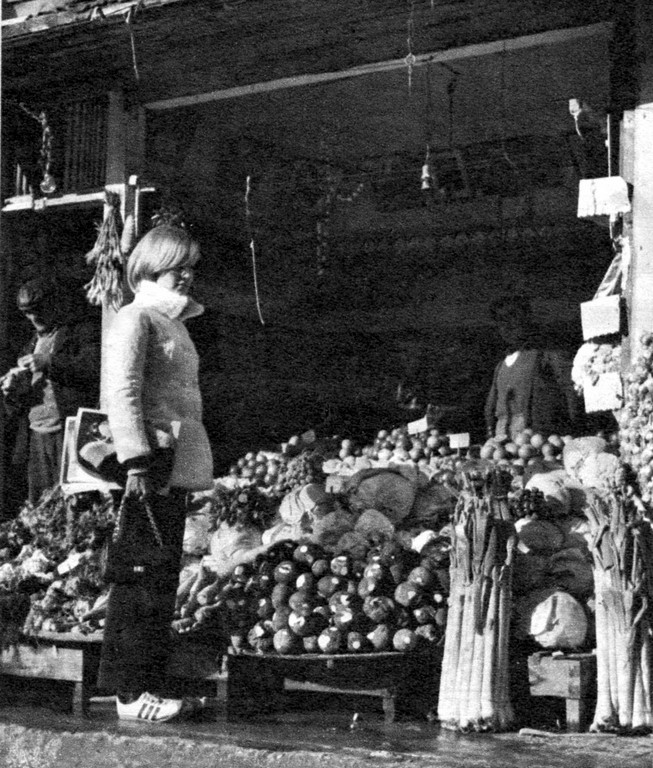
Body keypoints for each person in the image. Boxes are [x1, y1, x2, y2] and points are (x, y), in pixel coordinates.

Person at [97, 224, 214, 723]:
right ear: (149, 270)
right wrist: (136, 461)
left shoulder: (175, 323)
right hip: (149, 463)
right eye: (175, 267)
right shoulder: (135, 317)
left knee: (159, 577)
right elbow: (120, 390)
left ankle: (147, 681)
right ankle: (128, 694)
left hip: (172, 464)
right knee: (138, 578)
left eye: (190, 267)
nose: (185, 275)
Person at [1, 277, 100, 508]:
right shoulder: (31, 344)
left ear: (55, 304)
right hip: (37, 435)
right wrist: (13, 390)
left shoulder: (78, 334)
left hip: (68, 432)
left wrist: (49, 362)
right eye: (27, 313)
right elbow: (22, 401)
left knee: (77, 504)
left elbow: (93, 369)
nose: (34, 318)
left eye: (38, 310)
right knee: (43, 507)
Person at [484, 294, 580, 441]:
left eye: (512, 316)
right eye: (501, 320)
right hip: (504, 444)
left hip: (538, 443)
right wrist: (491, 436)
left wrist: (573, 432)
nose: (507, 325)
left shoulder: (546, 355)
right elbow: (491, 409)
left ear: (526, 318)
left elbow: (570, 391)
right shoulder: (501, 366)